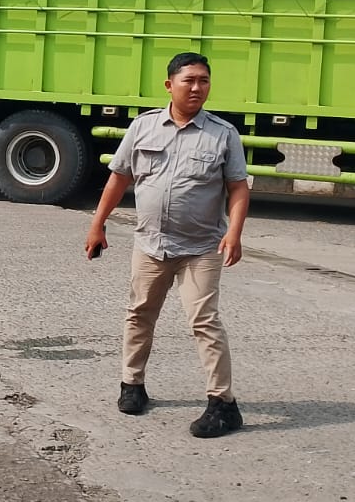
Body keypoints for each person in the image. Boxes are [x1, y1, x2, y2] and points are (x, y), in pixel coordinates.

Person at [84, 52, 251, 439]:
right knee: (139, 314)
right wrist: (97, 224)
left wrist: (235, 233)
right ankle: (132, 385)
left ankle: (223, 404)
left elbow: (238, 187)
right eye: (189, 80)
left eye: (204, 81)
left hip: (201, 247)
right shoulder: (143, 127)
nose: (197, 88)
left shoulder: (222, 134)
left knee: (204, 321)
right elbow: (119, 177)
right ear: (169, 85)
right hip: (150, 244)